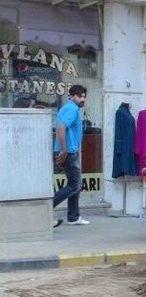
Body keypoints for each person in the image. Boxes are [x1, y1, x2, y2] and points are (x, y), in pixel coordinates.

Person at [53, 85, 90, 226]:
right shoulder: (72, 109)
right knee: (75, 185)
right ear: (72, 95)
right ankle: (48, 207)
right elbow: (61, 128)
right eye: (80, 96)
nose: (83, 99)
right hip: (68, 152)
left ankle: (73, 217)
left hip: (69, 151)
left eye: (84, 96)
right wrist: (64, 150)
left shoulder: (68, 108)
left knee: (74, 184)